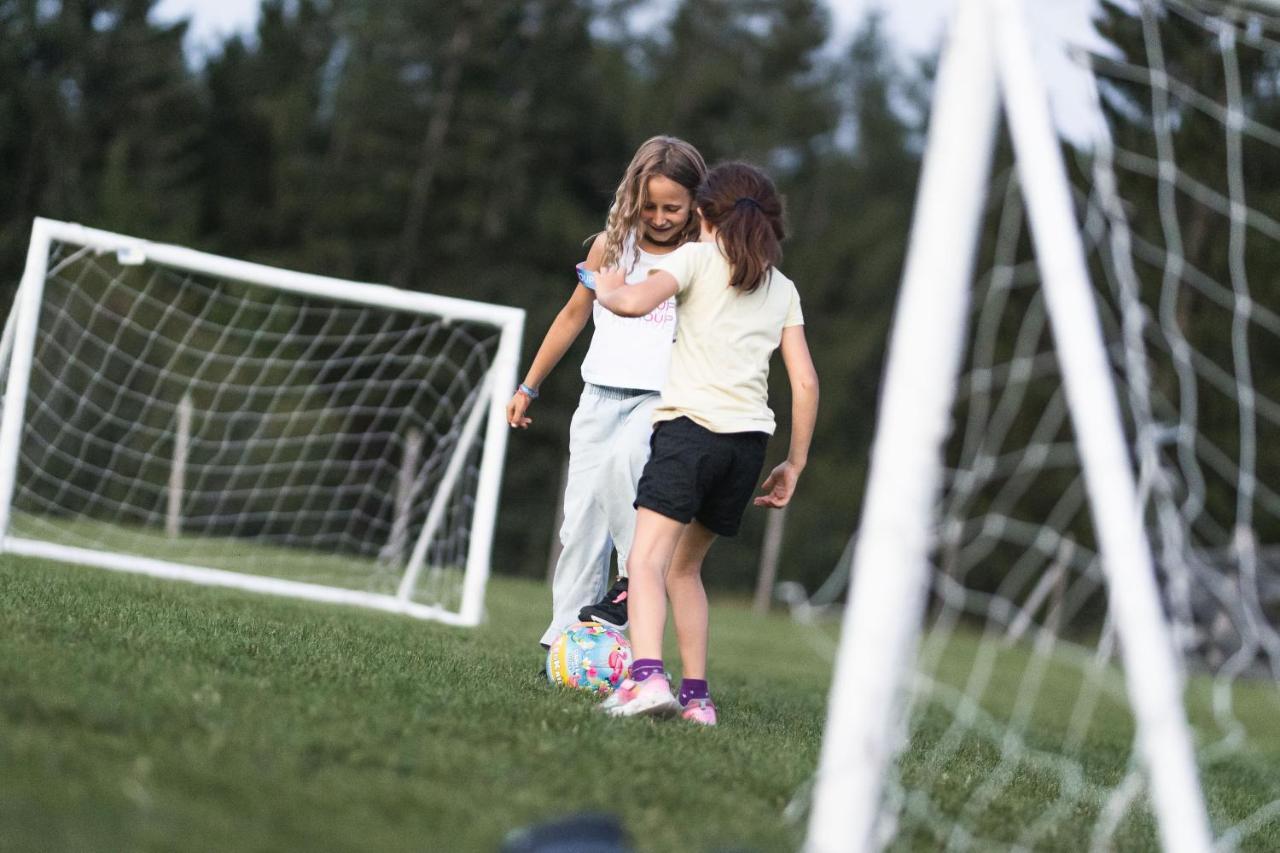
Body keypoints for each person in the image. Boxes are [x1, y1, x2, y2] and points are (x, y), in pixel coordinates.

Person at [592, 162, 819, 726]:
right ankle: (697, 700)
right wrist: (794, 462)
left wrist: (606, 282)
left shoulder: (694, 258)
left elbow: (631, 303)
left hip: (689, 433)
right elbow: (806, 382)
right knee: (684, 572)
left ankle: (646, 681)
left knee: (644, 561)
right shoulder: (782, 289)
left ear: (701, 214)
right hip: (746, 448)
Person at [506, 136, 708, 651]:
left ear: (694, 203)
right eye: (650, 205)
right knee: (579, 525)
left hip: (662, 401)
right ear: (632, 195)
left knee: (625, 466)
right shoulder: (609, 247)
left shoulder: (701, 258)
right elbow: (573, 315)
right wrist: (530, 384)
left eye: (673, 207)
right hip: (598, 397)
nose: (660, 218)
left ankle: (632, 579)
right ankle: (566, 641)